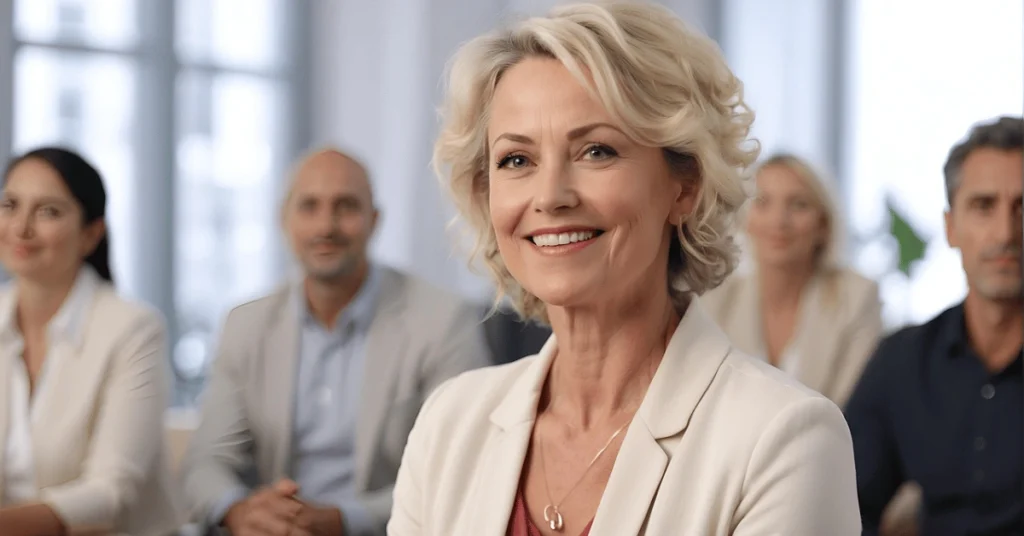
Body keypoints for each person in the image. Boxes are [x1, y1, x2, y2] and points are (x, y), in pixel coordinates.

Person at [387, 2, 861, 535]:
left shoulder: (784, 438)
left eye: (596, 151)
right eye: (516, 160)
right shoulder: (449, 423)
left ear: (685, 186)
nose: (550, 196)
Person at [180, 148, 490, 536]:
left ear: (374, 221)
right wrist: (242, 511)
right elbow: (205, 462)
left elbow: (461, 471)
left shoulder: (442, 321)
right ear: (284, 220)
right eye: (309, 206)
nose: (326, 226)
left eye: (346, 206)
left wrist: (342, 520)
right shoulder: (247, 324)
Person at [845, 116, 1023, 535]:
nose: (1006, 233)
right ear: (951, 227)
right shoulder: (903, 361)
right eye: (983, 206)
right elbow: (844, 504)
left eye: (1023, 207)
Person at [0, 148, 179, 535]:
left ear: (91, 234)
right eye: (10, 205)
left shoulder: (134, 329)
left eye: (48, 211)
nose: (20, 227)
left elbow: (110, 492)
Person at [702, 153, 883, 406]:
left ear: (823, 225)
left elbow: (852, 410)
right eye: (763, 202)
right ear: (746, 220)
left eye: (798, 205)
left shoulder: (856, 298)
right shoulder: (717, 299)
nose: (779, 221)